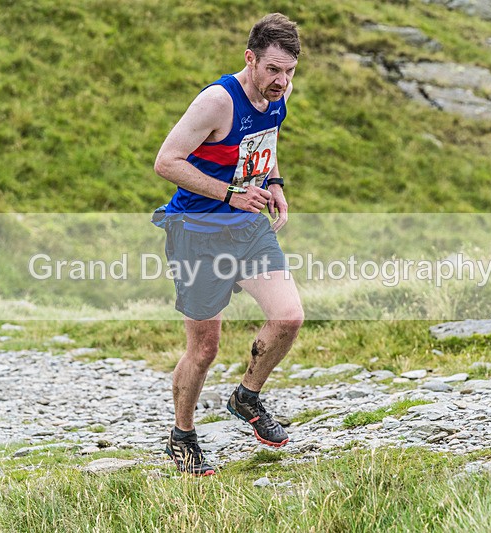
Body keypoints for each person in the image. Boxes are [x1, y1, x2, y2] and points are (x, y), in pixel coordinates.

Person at [153, 13, 304, 476]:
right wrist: (231, 194)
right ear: (250, 59)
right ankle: (182, 437)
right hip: (197, 231)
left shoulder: (280, 93)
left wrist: (273, 181)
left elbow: (268, 136)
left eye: (290, 71)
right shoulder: (217, 102)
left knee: (288, 316)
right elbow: (165, 162)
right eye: (273, 70)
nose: (282, 81)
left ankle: (246, 397)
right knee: (204, 350)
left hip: (247, 229)